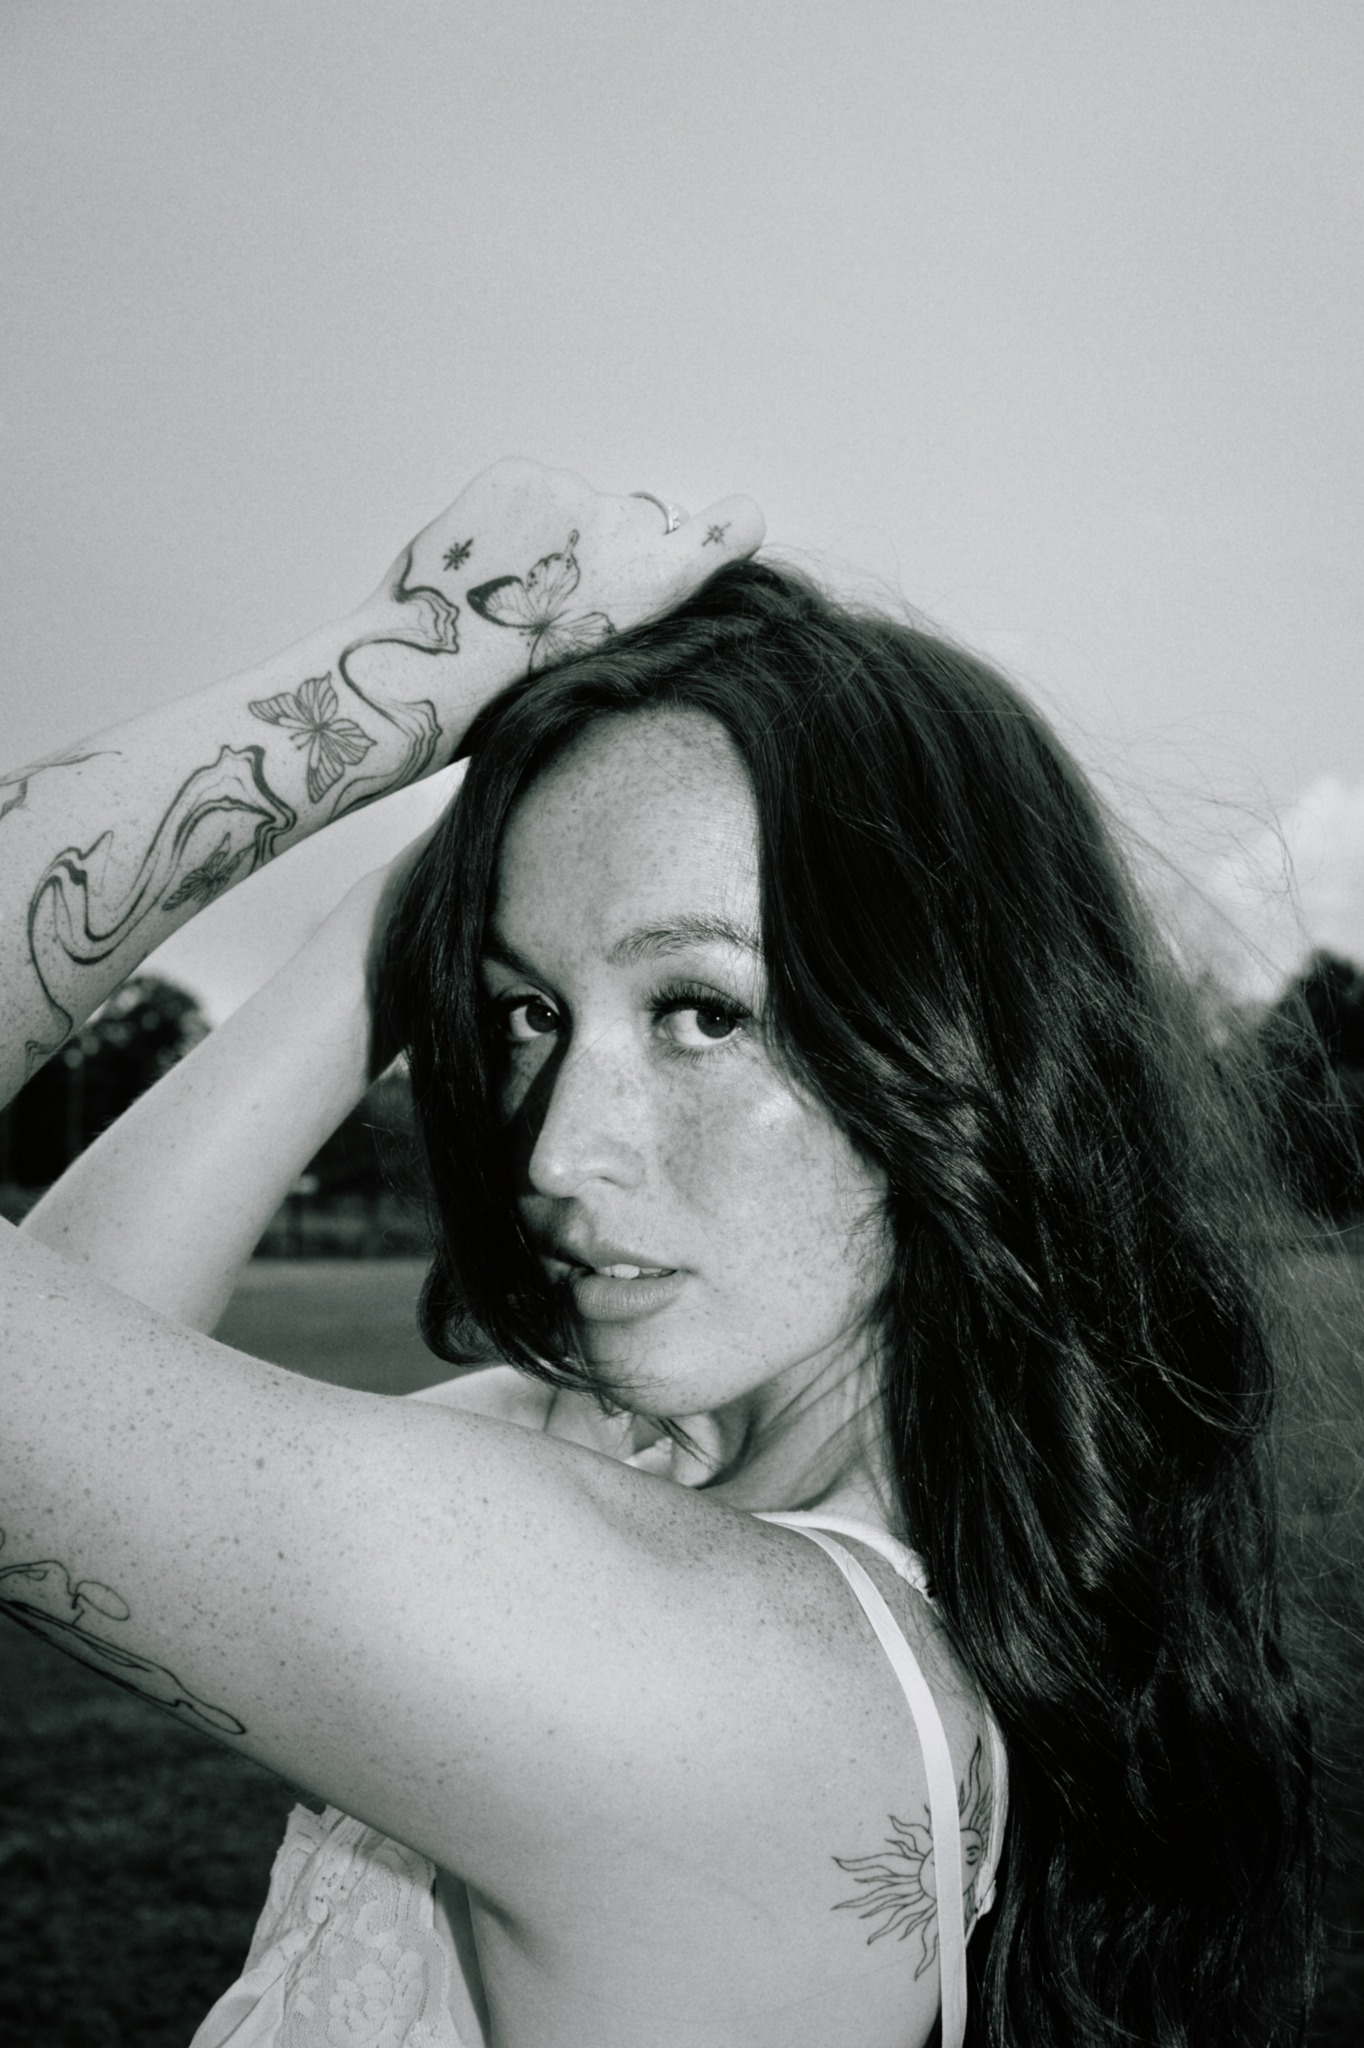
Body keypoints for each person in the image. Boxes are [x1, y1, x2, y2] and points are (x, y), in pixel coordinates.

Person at [0, 462, 1315, 2048]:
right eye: (525, 1010)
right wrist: (416, 919)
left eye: (702, 1009)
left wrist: (414, 660)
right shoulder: (646, 1469)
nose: (555, 1150)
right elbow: (84, 1344)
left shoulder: (715, 1681)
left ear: (961, 1043)